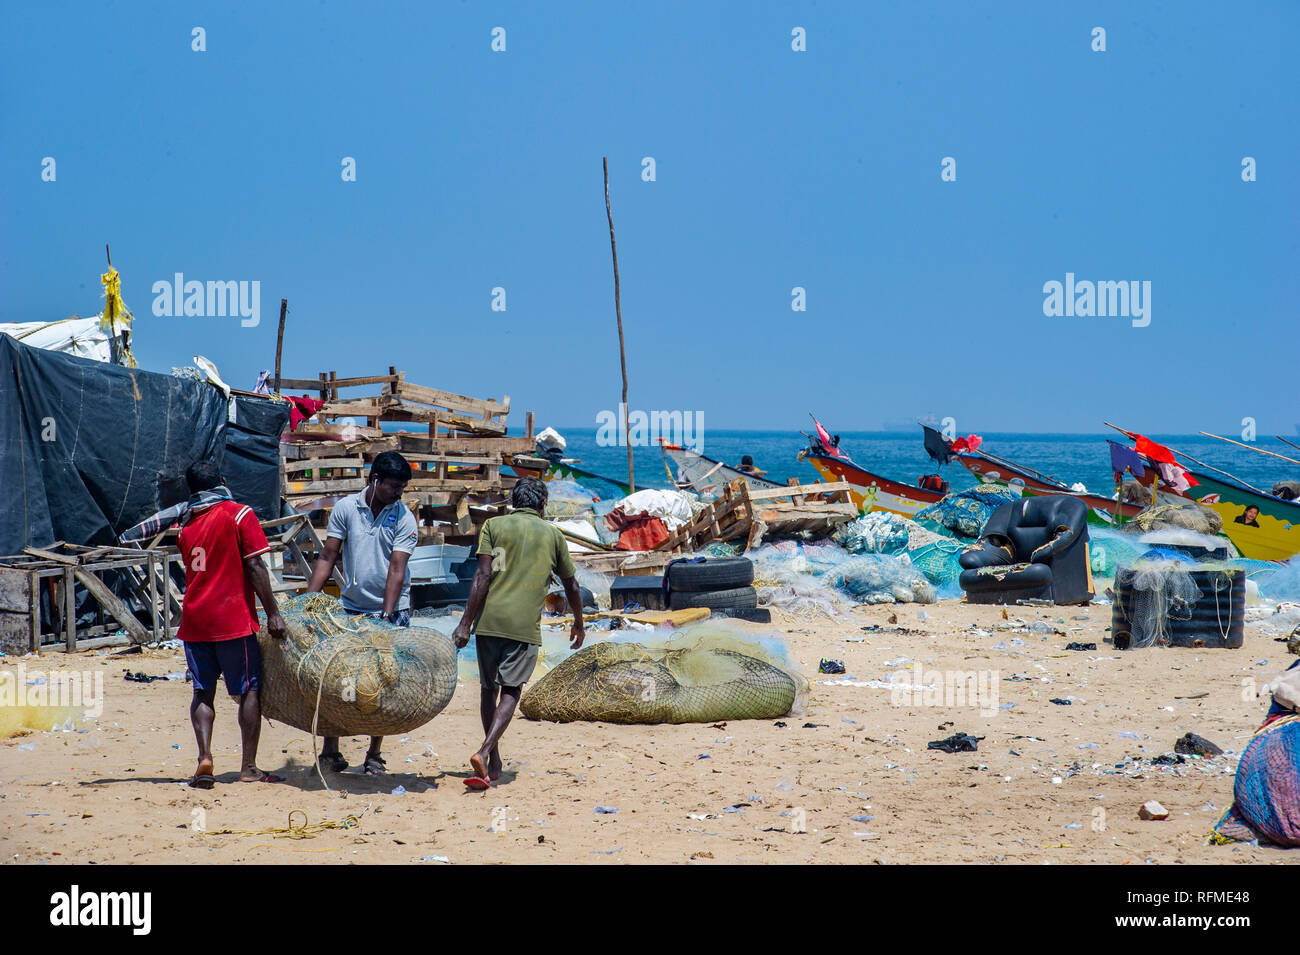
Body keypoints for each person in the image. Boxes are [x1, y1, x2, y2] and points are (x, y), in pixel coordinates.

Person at [452, 477, 584, 789]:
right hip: (523, 627)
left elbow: (482, 576)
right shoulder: (553, 534)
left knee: (488, 689)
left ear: (514, 502)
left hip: (488, 623)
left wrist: (464, 623)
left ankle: (493, 758)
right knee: (511, 691)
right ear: (543, 504)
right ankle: (485, 750)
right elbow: (572, 584)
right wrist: (579, 622)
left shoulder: (493, 527)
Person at [174, 460, 287, 788]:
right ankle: (248, 768)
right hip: (232, 620)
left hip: (195, 622)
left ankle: (204, 757)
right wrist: (273, 613)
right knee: (249, 690)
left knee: (202, 692)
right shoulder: (240, 515)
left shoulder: (186, 526)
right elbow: (255, 567)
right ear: (223, 481)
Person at [306, 451, 418, 775]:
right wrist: (309, 601)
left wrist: (385, 615)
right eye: (393, 486)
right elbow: (328, 556)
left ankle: (373, 754)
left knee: (382, 683)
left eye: (402, 488)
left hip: (391, 612)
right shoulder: (346, 509)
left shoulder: (405, 518)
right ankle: (330, 752)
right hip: (350, 607)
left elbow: (397, 569)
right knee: (336, 680)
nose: (398, 493)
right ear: (375, 480)